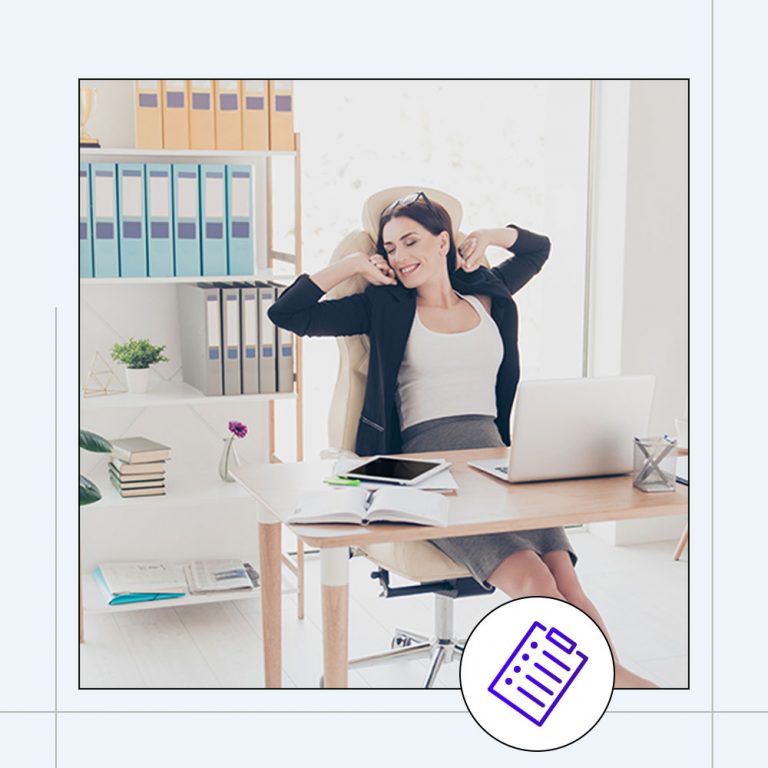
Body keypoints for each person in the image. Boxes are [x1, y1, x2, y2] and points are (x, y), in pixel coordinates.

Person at [268, 190, 656, 689]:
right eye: (389, 248)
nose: (400, 256)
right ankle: (618, 686)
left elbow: (538, 249)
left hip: (500, 465)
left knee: (566, 577)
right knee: (535, 582)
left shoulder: (488, 294)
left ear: (443, 241)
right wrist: (349, 264)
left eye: (411, 241)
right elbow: (288, 313)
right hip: (433, 474)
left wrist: (488, 237)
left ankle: (610, 686)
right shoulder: (382, 307)